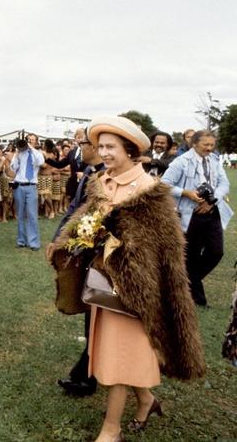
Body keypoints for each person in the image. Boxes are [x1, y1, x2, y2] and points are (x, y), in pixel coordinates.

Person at [53, 115, 205, 442]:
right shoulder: (101, 181)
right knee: (117, 352)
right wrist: (73, 240)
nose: (104, 152)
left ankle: (111, 430)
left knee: (121, 356)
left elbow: (163, 249)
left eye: (111, 147)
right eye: (101, 146)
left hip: (133, 292)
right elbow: (84, 222)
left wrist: (117, 247)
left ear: (131, 150)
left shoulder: (150, 190)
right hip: (103, 287)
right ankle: (147, 401)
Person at [47, 128, 105, 397]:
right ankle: (85, 374)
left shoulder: (104, 176)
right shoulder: (90, 173)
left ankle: (86, 377)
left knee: (97, 314)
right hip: (81, 250)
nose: (78, 146)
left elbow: (88, 216)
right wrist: (58, 239)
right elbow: (73, 209)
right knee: (90, 313)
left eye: (82, 142)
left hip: (97, 255)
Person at [161, 130, 233, 307]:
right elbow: (164, 184)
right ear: (194, 144)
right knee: (191, 256)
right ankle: (197, 299)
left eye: (212, 145)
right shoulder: (181, 162)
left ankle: (182, 284)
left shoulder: (215, 160)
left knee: (216, 252)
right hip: (190, 215)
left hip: (212, 212)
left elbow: (225, 183)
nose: (209, 148)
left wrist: (212, 200)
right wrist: (186, 193)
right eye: (205, 145)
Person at [10, 134, 44, 250]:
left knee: (32, 215)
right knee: (20, 215)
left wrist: (31, 148)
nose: (29, 141)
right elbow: (13, 168)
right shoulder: (19, 153)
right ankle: (21, 241)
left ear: (35, 142)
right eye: (28, 140)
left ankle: (33, 242)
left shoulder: (37, 153)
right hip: (19, 185)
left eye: (32, 140)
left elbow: (40, 162)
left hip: (31, 186)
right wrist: (16, 154)